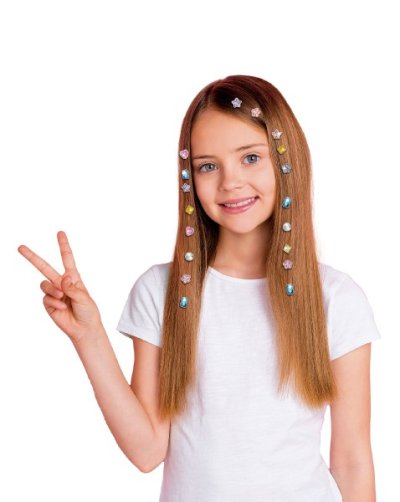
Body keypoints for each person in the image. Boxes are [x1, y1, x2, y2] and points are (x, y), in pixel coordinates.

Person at [18, 75, 382, 501]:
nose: (230, 182)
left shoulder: (336, 299)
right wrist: (89, 337)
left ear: (288, 161)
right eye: (208, 166)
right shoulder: (163, 291)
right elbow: (147, 451)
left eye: (250, 158)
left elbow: (352, 459)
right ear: (189, 179)